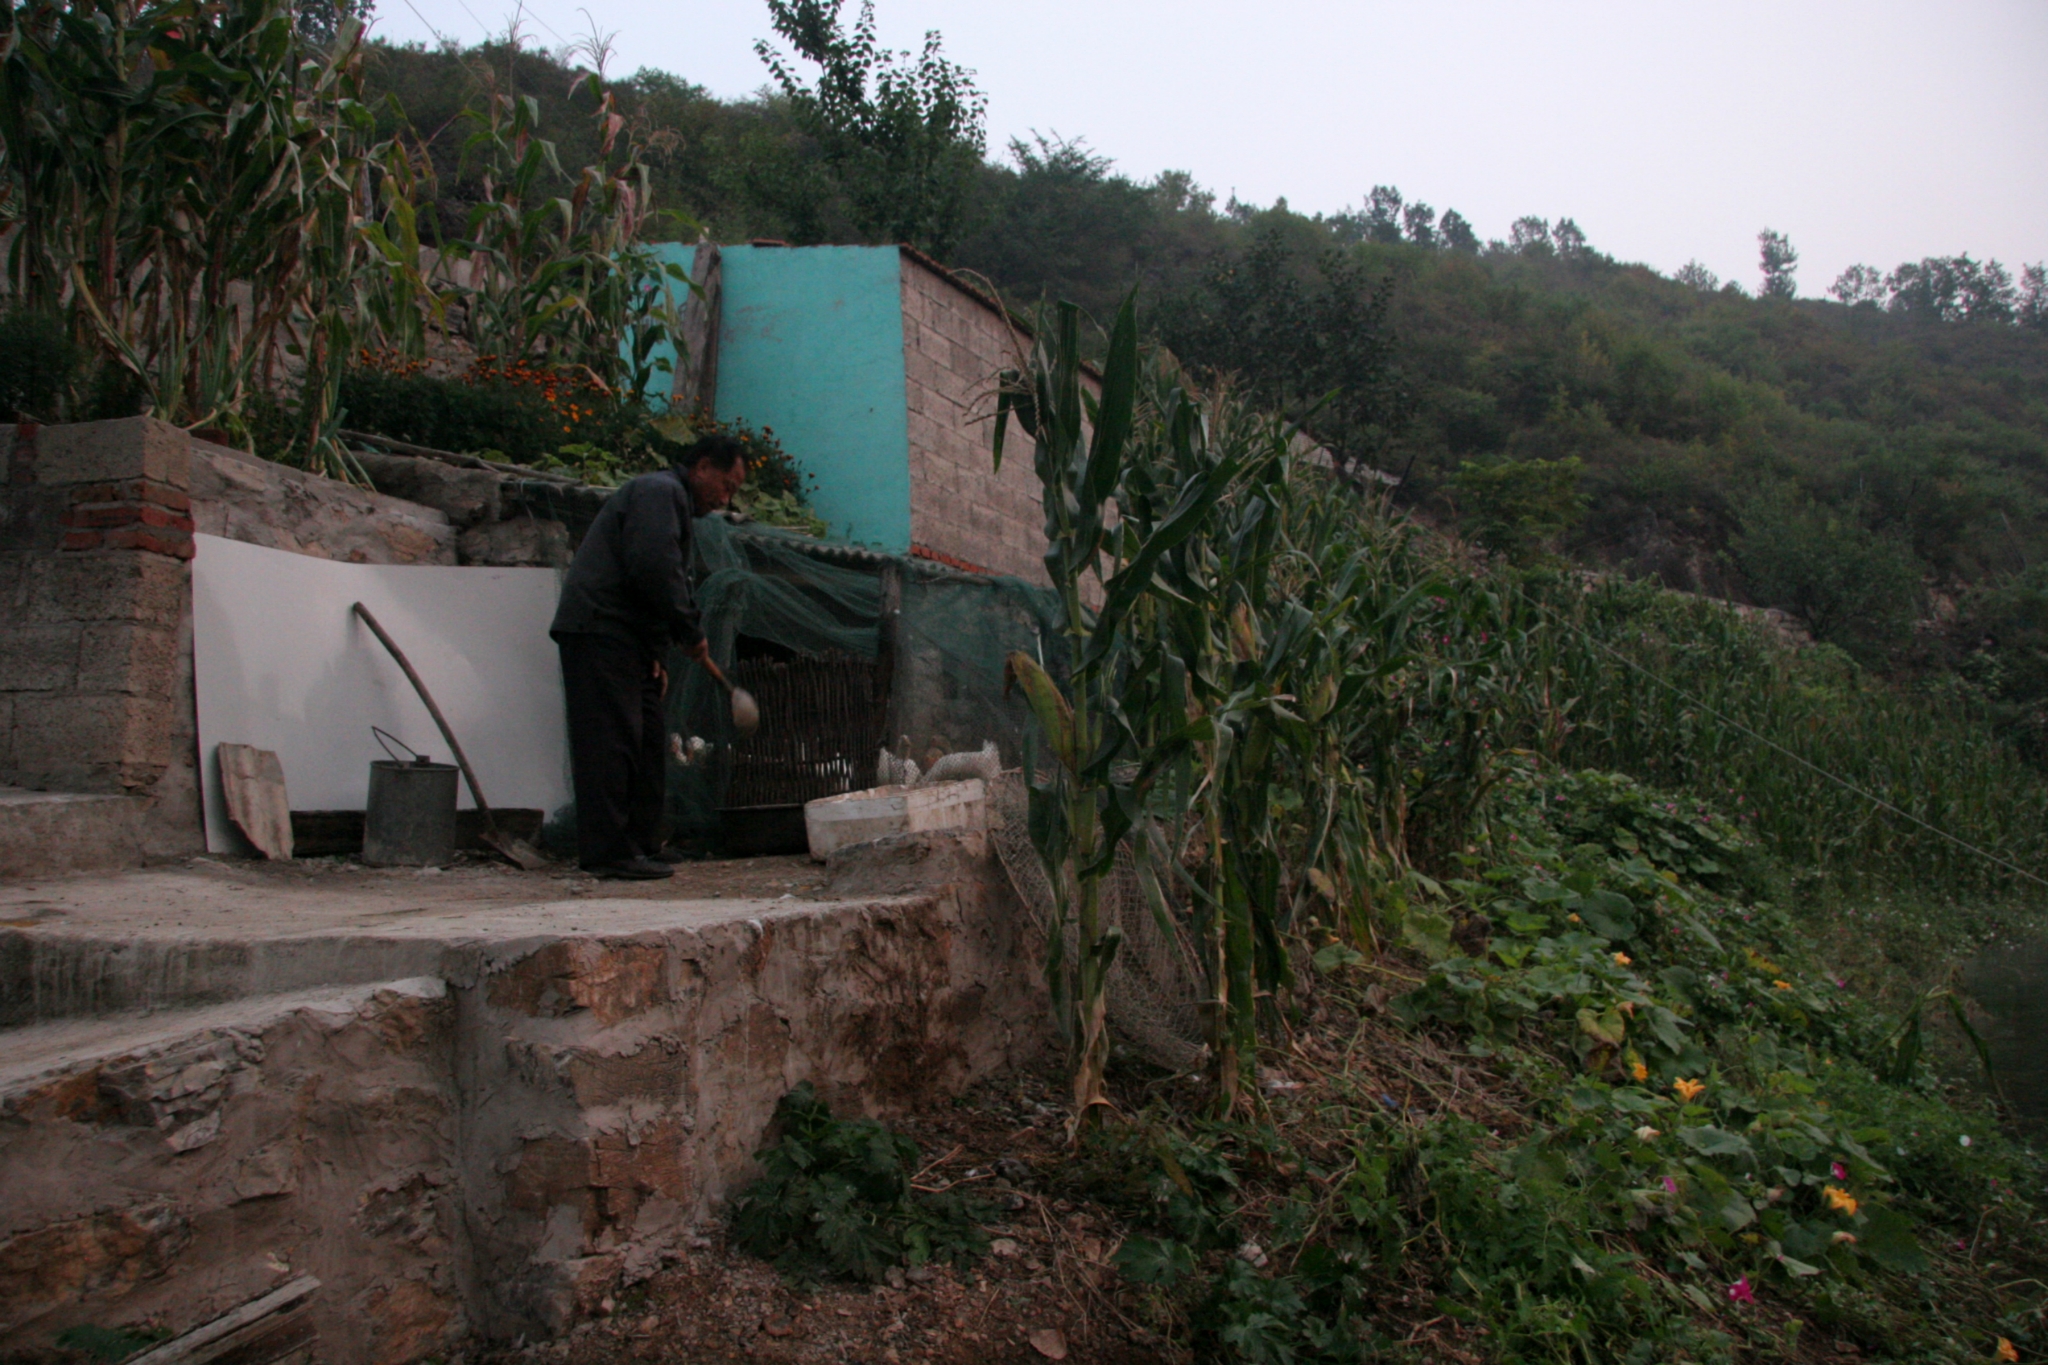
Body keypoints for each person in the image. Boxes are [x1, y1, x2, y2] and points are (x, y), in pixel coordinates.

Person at [549, 433, 747, 878]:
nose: (725, 498)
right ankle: (608, 853)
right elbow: (654, 566)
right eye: (727, 485)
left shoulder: (672, 503)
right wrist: (687, 629)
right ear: (701, 468)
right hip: (599, 630)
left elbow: (652, 578)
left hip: (629, 639)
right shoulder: (659, 492)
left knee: (647, 740)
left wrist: (655, 652)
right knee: (611, 742)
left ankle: (639, 844)